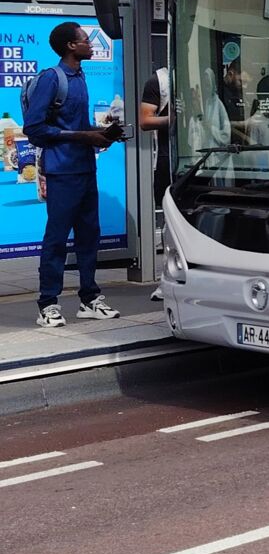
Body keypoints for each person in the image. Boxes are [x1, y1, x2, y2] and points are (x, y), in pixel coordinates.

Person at [22, 21, 123, 328]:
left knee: (89, 236)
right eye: (85, 40)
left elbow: (76, 126)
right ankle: (48, 304)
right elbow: (34, 128)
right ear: (71, 46)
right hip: (61, 171)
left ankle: (89, 299)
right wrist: (84, 137)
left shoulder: (80, 77)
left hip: (84, 169)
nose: (91, 44)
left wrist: (103, 133)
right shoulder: (53, 79)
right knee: (56, 238)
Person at [138, 61, 172, 300]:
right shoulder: (158, 81)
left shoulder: (206, 72)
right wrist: (174, 119)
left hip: (203, 161)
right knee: (170, 226)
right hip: (168, 160)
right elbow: (145, 121)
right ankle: (165, 280)